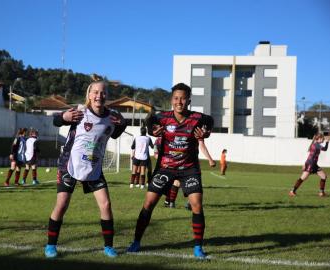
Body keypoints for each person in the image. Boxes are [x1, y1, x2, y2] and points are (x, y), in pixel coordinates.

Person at [127, 82, 214, 259]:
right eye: (176, 98)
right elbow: (150, 119)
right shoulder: (163, 117)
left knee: (197, 205)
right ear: (171, 100)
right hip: (165, 168)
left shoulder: (197, 118)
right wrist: (153, 130)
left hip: (189, 169)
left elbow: (209, 121)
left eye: (182, 98)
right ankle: (136, 241)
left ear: (188, 100)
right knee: (148, 204)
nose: (179, 101)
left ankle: (198, 247)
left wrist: (205, 132)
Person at [44, 75, 126, 258]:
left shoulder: (111, 117)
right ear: (89, 95)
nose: (99, 95)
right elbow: (56, 121)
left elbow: (115, 134)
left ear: (107, 96)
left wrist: (123, 124)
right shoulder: (80, 112)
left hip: (94, 167)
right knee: (62, 204)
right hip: (69, 165)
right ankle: (50, 245)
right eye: (95, 92)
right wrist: (63, 117)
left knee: (106, 205)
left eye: (103, 92)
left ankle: (108, 247)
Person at [164, 139, 215, 208]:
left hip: (180, 160)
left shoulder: (180, 131)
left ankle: (171, 203)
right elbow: (202, 145)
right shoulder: (196, 130)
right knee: (194, 182)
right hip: (191, 163)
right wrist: (210, 159)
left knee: (177, 181)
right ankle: (189, 203)